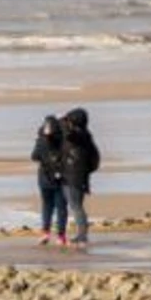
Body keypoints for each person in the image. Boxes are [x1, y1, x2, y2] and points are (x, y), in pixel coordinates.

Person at [56, 106, 100, 248]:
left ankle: (82, 236)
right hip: (74, 174)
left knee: (76, 206)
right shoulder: (85, 135)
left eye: (69, 120)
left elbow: (69, 135)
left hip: (75, 176)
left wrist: (62, 121)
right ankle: (81, 234)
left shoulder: (79, 135)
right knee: (75, 205)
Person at [30, 114, 65, 244]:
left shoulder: (40, 140)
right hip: (60, 177)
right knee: (61, 207)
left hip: (44, 177)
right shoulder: (63, 139)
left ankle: (45, 233)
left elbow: (34, 156)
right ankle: (61, 236)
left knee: (47, 206)